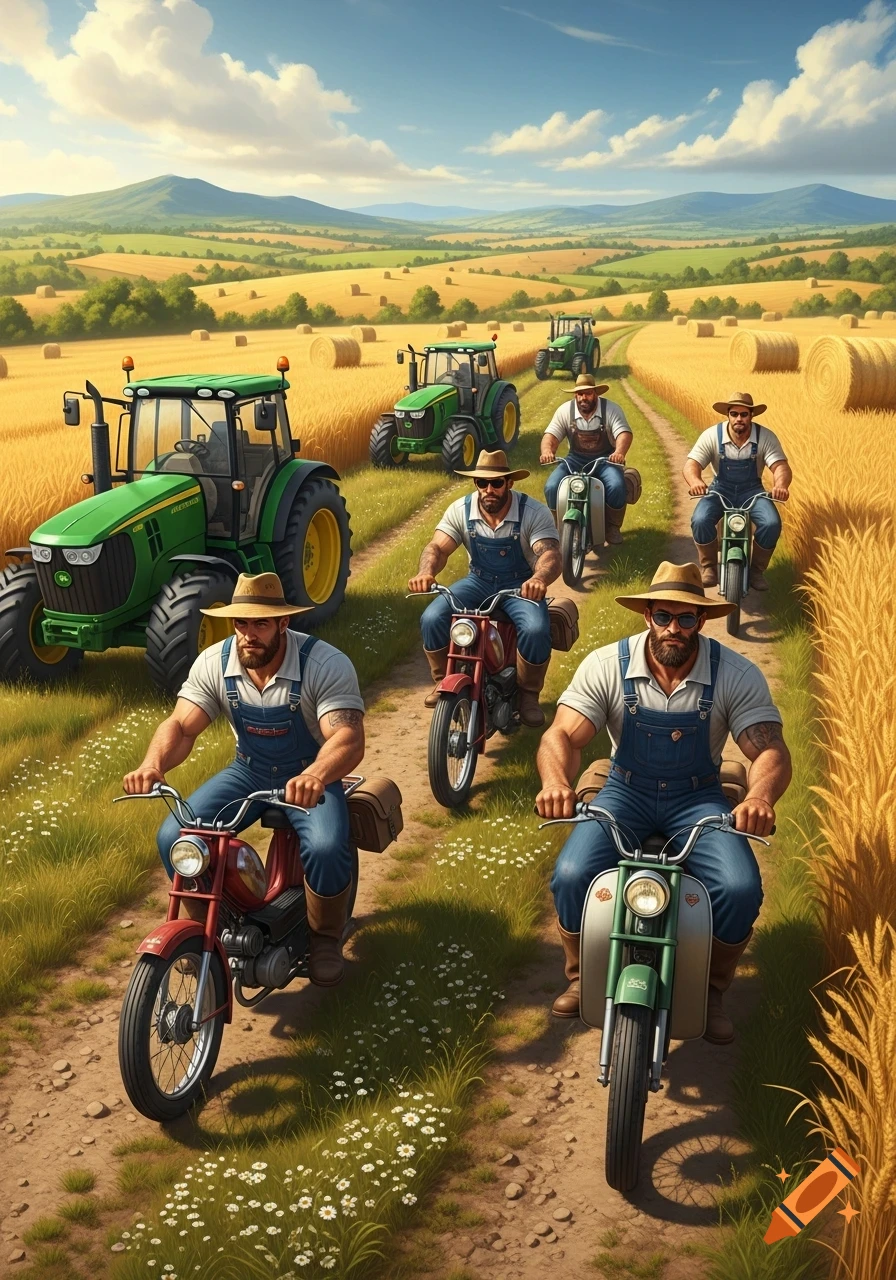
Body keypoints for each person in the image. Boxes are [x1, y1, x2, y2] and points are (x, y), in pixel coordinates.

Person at [535, 561, 791, 1043]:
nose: (674, 628)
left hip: (698, 798)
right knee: (571, 874)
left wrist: (758, 796)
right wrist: (555, 783)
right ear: (646, 615)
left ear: (703, 620)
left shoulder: (734, 672)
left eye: (687, 618)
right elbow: (563, 736)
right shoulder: (606, 664)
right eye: (664, 616)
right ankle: (579, 976)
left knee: (739, 888)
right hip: (624, 792)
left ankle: (712, 991)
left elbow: (770, 749)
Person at [122, 572, 365, 988]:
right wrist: (153, 765)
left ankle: (325, 938)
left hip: (310, 772)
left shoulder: (324, 664)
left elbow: (346, 737)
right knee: (174, 836)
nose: (248, 635)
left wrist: (314, 775)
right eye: (241, 623)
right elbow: (181, 726)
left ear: (283, 623)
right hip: (249, 768)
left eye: (260, 624)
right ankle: (211, 930)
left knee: (326, 847)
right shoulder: (216, 662)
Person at [409, 448, 560, 728]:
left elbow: (549, 553)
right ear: (475, 483)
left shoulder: (532, 512)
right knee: (432, 617)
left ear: (509, 482)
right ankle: (443, 680)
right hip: (478, 580)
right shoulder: (460, 509)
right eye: (482, 482)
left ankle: (528, 695)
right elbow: (438, 548)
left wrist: (539, 579)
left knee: (537, 629)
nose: (489, 489)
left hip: (521, 585)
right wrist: (426, 572)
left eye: (497, 482)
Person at [684, 391, 791, 592]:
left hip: (753, 491)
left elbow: (780, 467)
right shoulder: (712, 435)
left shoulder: (765, 437)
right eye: (734, 414)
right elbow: (692, 464)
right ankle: (709, 567)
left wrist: (781, 485)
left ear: (751, 415)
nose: (739, 419)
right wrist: (695, 481)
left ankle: (756, 571)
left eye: (744, 414)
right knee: (700, 519)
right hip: (720, 490)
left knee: (771, 523)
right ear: (728, 415)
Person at [540, 373, 633, 545]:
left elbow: (624, 433)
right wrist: (547, 451)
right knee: (552, 486)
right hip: (574, 459)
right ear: (575, 395)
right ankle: (557, 525)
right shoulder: (565, 411)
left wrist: (619, 452)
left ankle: (612, 527)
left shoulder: (611, 409)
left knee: (617, 485)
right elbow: (550, 436)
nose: (584, 397)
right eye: (580, 393)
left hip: (605, 460)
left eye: (588, 393)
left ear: (595, 393)